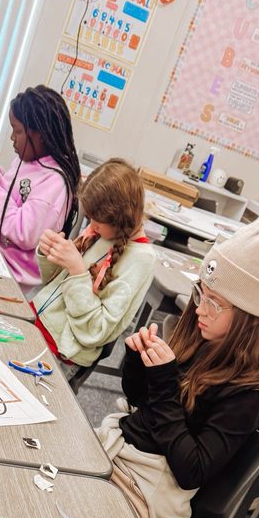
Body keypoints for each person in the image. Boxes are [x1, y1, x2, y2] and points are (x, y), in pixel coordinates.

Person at [94, 211, 259, 518]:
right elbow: (141, 404)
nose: (200, 308)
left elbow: (192, 471)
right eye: (201, 293)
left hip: (147, 491)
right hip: (122, 452)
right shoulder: (201, 334)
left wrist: (164, 383)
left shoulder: (251, 392)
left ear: (251, 317)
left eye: (215, 303)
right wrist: (137, 362)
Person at [32, 158, 154, 372]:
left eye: (97, 221)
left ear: (121, 220)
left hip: (60, 351)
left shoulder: (140, 261)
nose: (92, 226)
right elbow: (52, 285)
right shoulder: (103, 232)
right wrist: (49, 252)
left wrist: (77, 270)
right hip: (38, 320)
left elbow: (96, 330)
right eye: (90, 218)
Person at [0, 85, 80, 288]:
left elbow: (21, 231)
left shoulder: (55, 182)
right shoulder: (27, 161)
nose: (12, 137)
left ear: (40, 134)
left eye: (17, 130)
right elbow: (15, 195)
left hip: (11, 278)